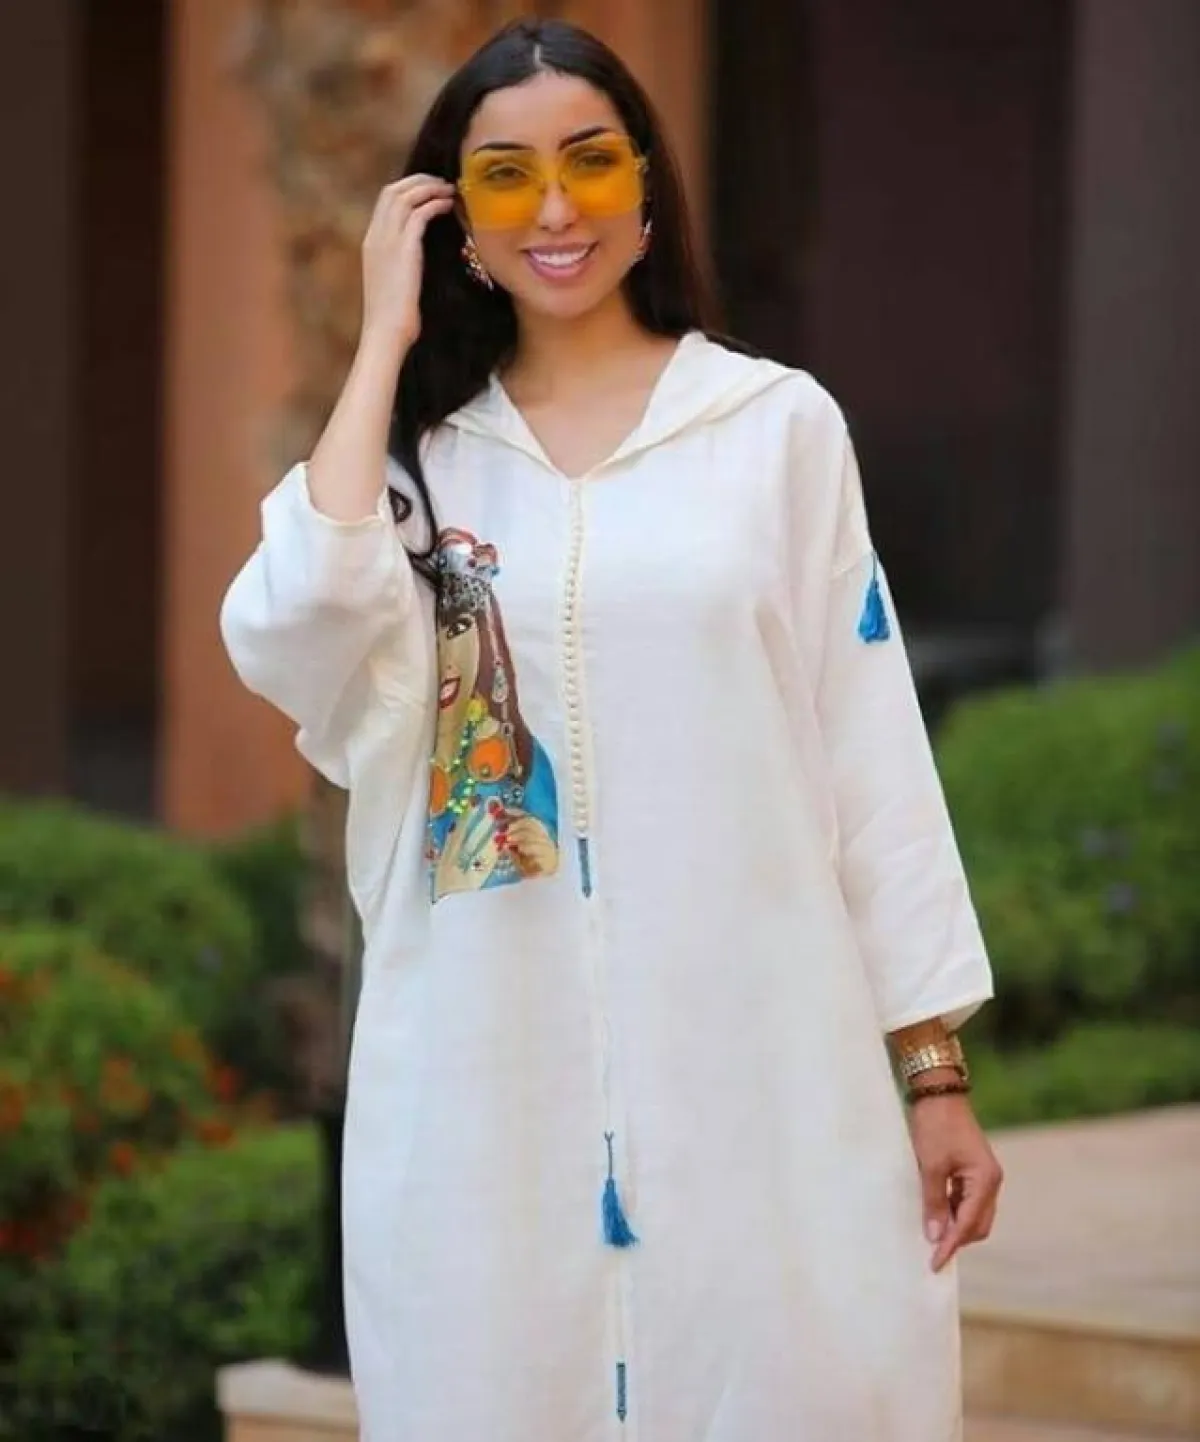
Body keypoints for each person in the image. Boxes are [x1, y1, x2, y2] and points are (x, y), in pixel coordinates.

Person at [220, 18, 1003, 1442]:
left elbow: (869, 750)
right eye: (506, 176)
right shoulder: (415, 471)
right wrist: (383, 335)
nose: (556, 209)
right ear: (457, 220)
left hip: (761, 1068)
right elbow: (300, 620)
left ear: (646, 187)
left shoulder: (773, 429)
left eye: (588, 162)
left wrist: (933, 1070)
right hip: (483, 1085)